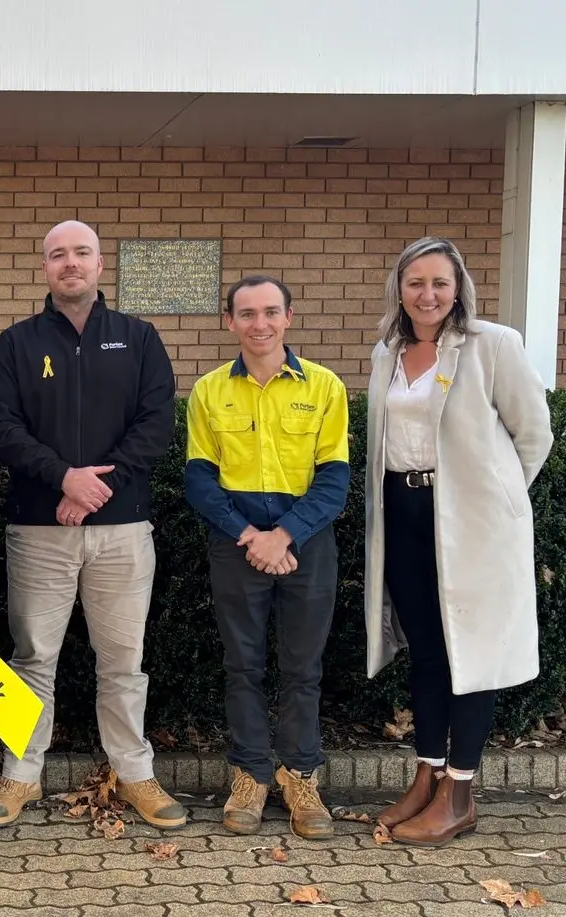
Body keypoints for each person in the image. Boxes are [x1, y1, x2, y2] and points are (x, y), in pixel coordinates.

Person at [0, 220, 184, 830]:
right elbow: (3, 429)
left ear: (100, 265)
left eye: (82, 253)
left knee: (123, 659)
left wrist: (96, 490)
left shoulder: (139, 337)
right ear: (45, 267)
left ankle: (135, 774)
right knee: (33, 657)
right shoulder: (15, 344)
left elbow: (157, 424)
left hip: (122, 529)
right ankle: (21, 774)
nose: (71, 263)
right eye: (58, 254)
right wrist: (62, 479)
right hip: (40, 530)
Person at [365, 237, 553, 847]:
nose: (428, 295)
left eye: (440, 283)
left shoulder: (493, 345)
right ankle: (427, 777)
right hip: (405, 514)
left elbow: (534, 434)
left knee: (473, 655)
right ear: (400, 287)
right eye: (415, 282)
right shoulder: (387, 351)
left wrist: (496, 503)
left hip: (472, 525)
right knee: (427, 652)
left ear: (459, 287)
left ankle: (462, 795)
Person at [185, 275, 350, 839]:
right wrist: (252, 535)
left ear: (290, 317)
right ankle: (251, 775)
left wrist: (286, 534)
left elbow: (334, 479)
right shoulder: (209, 391)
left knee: (303, 668)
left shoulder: (325, 386)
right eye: (247, 314)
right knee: (243, 666)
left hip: (307, 542)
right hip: (237, 543)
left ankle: (300, 776)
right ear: (229, 321)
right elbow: (200, 480)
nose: (260, 324)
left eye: (271, 312)